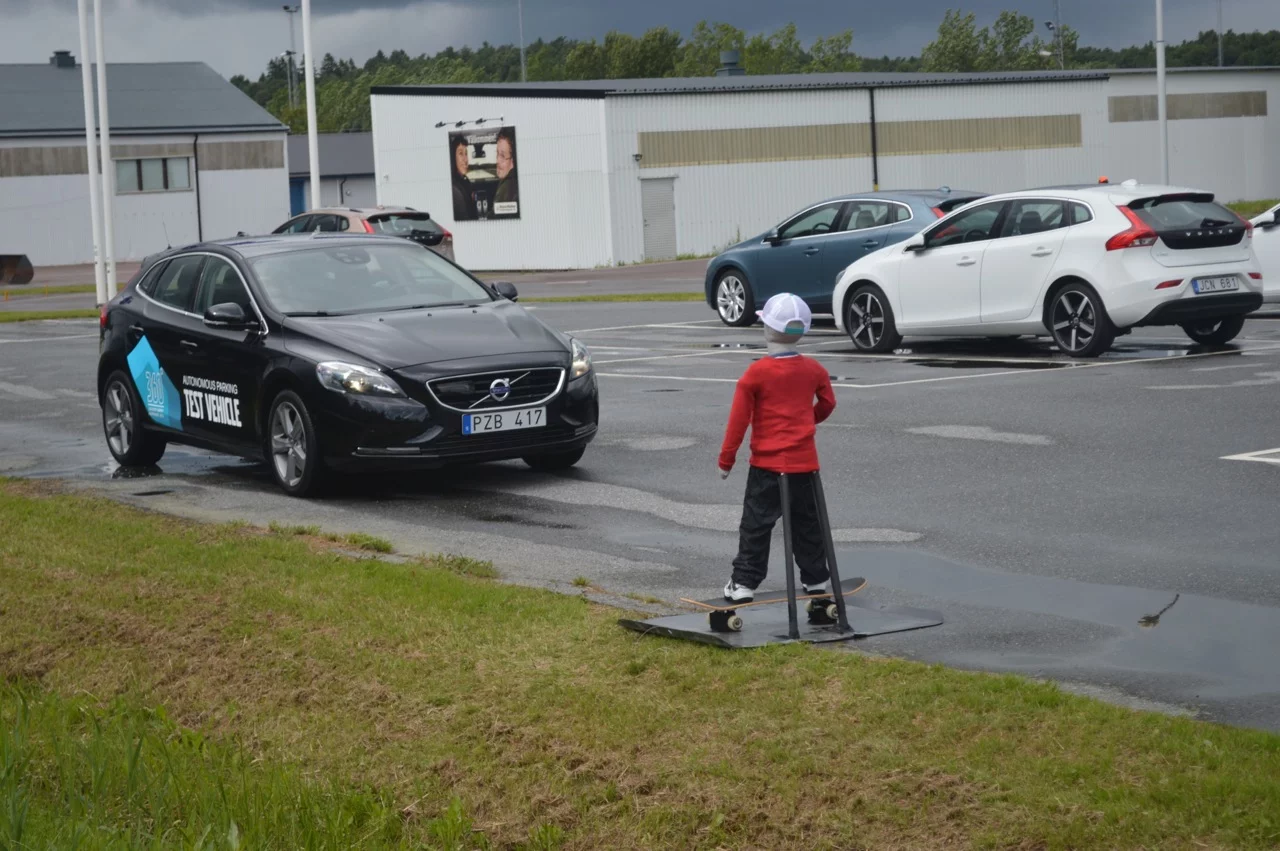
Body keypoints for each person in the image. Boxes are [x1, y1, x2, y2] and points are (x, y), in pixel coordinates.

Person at [718, 293, 836, 602]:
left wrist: (726, 460)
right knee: (808, 524)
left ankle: (743, 583)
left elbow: (738, 421)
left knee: (756, 525)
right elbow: (828, 403)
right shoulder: (814, 370)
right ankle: (815, 579)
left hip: (767, 467)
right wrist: (807, 419)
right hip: (806, 466)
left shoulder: (755, 374)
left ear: (767, 329)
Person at [450, 137, 478, 221]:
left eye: (466, 154)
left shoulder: (465, 180)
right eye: (461, 154)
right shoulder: (454, 187)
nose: (466, 160)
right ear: (453, 158)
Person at [493, 129, 518, 212]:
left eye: (503, 156)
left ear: (513, 161)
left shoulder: (506, 189)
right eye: (497, 154)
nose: (497, 161)